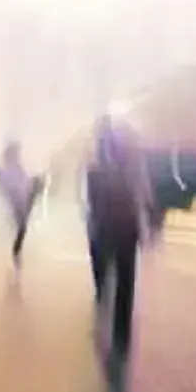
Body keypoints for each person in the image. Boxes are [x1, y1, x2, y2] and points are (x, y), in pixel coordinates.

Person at [85, 117, 153, 356]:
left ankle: (105, 299)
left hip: (107, 224)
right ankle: (121, 334)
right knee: (126, 278)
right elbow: (142, 193)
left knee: (108, 271)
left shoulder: (95, 162)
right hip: (126, 224)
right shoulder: (133, 161)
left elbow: (91, 198)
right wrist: (145, 222)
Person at [0, 141, 41, 268]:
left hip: (21, 197)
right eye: (15, 152)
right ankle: (15, 244)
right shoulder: (4, 169)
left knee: (22, 224)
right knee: (21, 224)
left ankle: (14, 241)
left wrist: (33, 184)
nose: (18, 154)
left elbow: (24, 182)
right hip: (14, 198)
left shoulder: (18, 167)